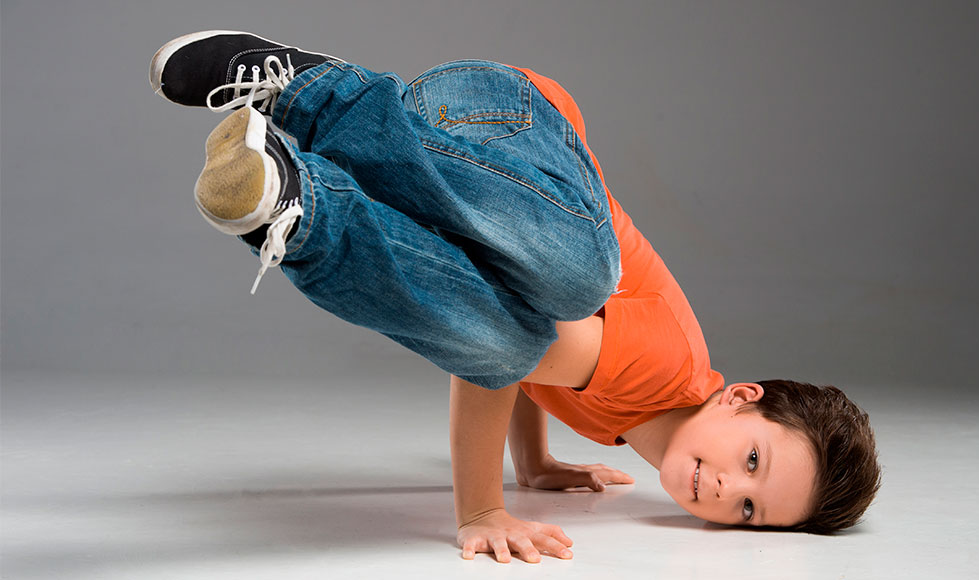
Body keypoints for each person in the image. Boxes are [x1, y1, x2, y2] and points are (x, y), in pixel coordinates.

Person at [150, 31, 881, 563]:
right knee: (561, 296)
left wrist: (533, 464)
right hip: (504, 115)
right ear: (740, 398)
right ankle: (315, 96)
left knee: (524, 318)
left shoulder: (634, 416)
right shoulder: (661, 370)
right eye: (751, 463)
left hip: (442, 166)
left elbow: (513, 336)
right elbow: (492, 360)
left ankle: (290, 198)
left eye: (748, 513)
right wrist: (481, 508)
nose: (723, 490)